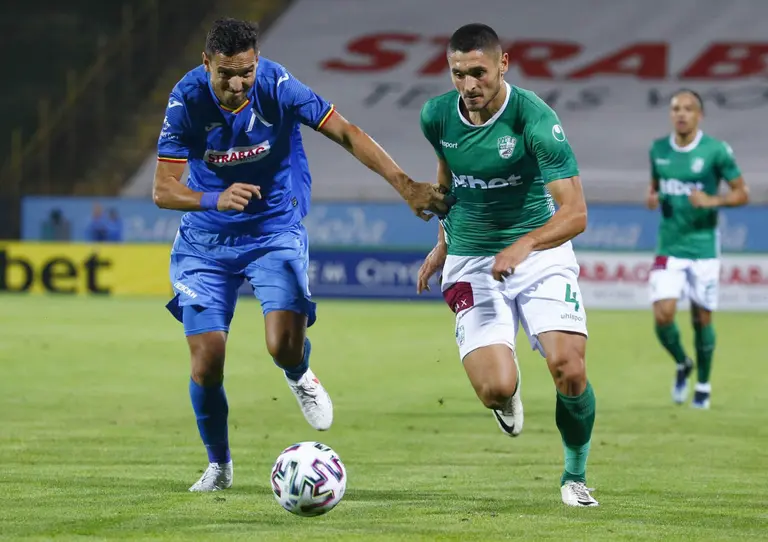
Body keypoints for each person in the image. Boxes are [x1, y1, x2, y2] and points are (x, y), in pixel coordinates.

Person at [152, 18, 447, 492]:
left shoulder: (279, 86)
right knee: (206, 360)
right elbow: (163, 190)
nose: (237, 85)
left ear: (257, 61)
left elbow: (346, 132)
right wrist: (214, 199)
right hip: (206, 241)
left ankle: (299, 372)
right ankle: (219, 465)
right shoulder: (186, 100)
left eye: (246, 72)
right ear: (206, 63)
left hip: (273, 229)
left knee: (282, 346)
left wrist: (406, 185)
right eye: (225, 74)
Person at [416, 23, 597, 507]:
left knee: (569, 367)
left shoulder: (533, 118)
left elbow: (576, 213)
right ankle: (505, 394)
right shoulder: (436, 116)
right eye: (458, 74)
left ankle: (574, 476)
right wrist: (442, 243)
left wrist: (526, 245)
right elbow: (449, 181)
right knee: (495, 388)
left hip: (539, 253)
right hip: (471, 260)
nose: (469, 85)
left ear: (503, 64)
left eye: (478, 72)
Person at [646, 89, 749, 409]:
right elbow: (655, 187)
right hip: (669, 245)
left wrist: (712, 200)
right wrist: (652, 197)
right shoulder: (658, 150)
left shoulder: (716, 151)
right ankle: (682, 362)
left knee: (702, 318)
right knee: (663, 315)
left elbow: (742, 193)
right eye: (676, 108)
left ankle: (703, 385)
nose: (681, 113)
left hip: (704, 247)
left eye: (688, 108)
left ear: (699, 115)